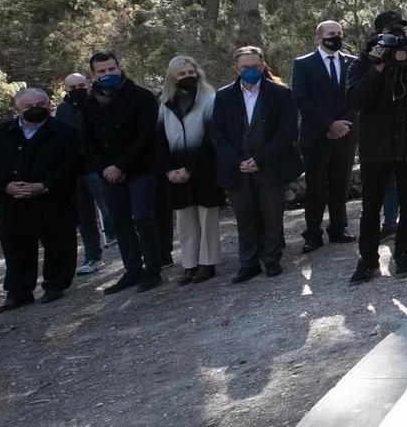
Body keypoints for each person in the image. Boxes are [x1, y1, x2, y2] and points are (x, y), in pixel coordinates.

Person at [348, 9, 407, 282]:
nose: (397, 35)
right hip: (376, 147)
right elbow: (355, 100)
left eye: (401, 29)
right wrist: (377, 67)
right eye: (391, 30)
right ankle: (368, 261)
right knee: (370, 207)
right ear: (377, 35)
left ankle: (403, 256)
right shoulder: (363, 62)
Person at [0, 86, 83, 311]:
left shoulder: (65, 132)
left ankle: (55, 285)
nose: (35, 110)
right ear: (17, 108)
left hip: (53, 200)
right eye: (29, 107)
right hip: (12, 203)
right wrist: (5, 186)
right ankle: (19, 292)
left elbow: (73, 164)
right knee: (16, 248)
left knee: (59, 244)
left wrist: (45, 186)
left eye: (40, 105)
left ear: (49, 105)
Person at [211, 46, 302, 283]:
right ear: (236, 68)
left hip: (270, 166)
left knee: (272, 215)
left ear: (263, 66)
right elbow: (217, 134)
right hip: (238, 168)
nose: (251, 71)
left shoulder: (281, 94)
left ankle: (271, 258)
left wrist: (260, 159)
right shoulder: (223, 96)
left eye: (255, 66)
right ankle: (248, 263)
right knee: (245, 217)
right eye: (245, 67)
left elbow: (288, 132)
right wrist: (238, 161)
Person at [78, 51, 164, 293]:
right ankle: (132, 269)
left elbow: (146, 135)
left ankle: (153, 270)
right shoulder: (91, 101)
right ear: (93, 74)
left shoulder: (142, 96)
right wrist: (105, 167)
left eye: (111, 69)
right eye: (102, 71)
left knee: (142, 218)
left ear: (119, 67)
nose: (108, 74)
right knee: (120, 220)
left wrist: (121, 166)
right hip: (108, 173)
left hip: (140, 168)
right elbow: (87, 140)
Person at [157, 55, 225, 284]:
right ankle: (189, 264)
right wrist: (169, 171)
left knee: (207, 218)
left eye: (190, 73)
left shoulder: (209, 99)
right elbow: (159, 141)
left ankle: (207, 262)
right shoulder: (165, 104)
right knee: (185, 220)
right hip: (175, 173)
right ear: (173, 78)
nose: (187, 77)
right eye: (181, 74)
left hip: (204, 170)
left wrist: (190, 169)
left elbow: (211, 140)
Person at [292, 18, 359, 252]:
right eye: (331, 33)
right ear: (319, 38)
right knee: (315, 187)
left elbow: (357, 97)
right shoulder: (303, 64)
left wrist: (343, 125)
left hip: (346, 134)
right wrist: (329, 124)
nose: (336, 36)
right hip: (316, 136)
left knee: (340, 185)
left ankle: (339, 229)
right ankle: (312, 233)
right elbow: (301, 98)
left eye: (339, 32)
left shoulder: (352, 62)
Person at [55, 73, 116, 275]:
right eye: (72, 87)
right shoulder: (60, 111)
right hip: (74, 172)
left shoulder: (100, 103)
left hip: (97, 168)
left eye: (81, 85)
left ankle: (128, 252)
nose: (78, 89)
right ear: (66, 89)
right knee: (84, 218)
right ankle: (92, 257)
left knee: (111, 209)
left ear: (88, 84)